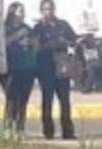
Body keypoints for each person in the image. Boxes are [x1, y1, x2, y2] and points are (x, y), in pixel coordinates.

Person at [34, 0, 77, 140]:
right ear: (41, 11)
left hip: (61, 66)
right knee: (47, 99)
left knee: (65, 100)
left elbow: (74, 40)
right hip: (45, 67)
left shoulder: (63, 25)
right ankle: (48, 130)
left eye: (50, 9)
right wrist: (48, 45)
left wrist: (67, 44)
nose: (49, 12)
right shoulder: (38, 28)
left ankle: (68, 131)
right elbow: (35, 48)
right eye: (45, 9)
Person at [0, 2, 36, 135]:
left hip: (26, 67)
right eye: (20, 11)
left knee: (23, 99)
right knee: (11, 98)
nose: (22, 13)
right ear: (12, 12)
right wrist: (16, 36)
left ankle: (20, 128)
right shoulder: (5, 28)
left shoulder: (27, 28)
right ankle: (8, 127)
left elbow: (34, 46)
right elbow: (1, 44)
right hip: (10, 68)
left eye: (23, 11)